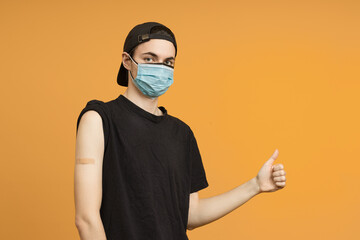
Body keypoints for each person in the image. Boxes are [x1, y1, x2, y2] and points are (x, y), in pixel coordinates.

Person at [74, 22, 287, 240]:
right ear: (127, 61)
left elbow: (190, 215)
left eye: (168, 62)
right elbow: (86, 218)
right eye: (149, 59)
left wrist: (255, 185)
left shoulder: (181, 134)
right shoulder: (99, 119)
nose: (160, 68)